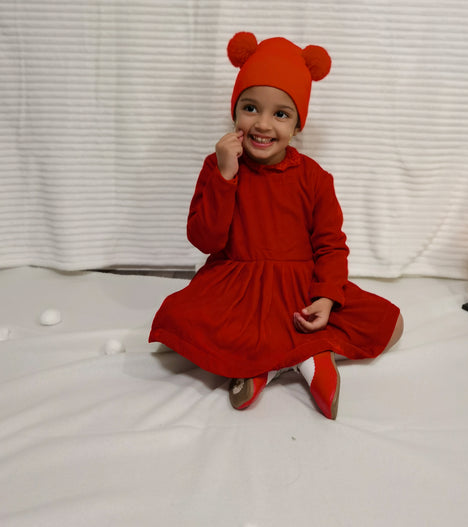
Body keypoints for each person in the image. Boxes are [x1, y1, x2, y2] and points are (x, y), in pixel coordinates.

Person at [149, 32, 403, 419]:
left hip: (300, 286)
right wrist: (225, 176)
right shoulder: (218, 166)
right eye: (250, 108)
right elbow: (205, 239)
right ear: (234, 113)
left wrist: (327, 297)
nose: (262, 124)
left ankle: (285, 361)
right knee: (176, 319)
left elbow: (331, 245)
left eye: (280, 114)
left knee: (390, 322)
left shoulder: (314, 178)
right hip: (237, 283)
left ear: (298, 124)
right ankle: (282, 362)